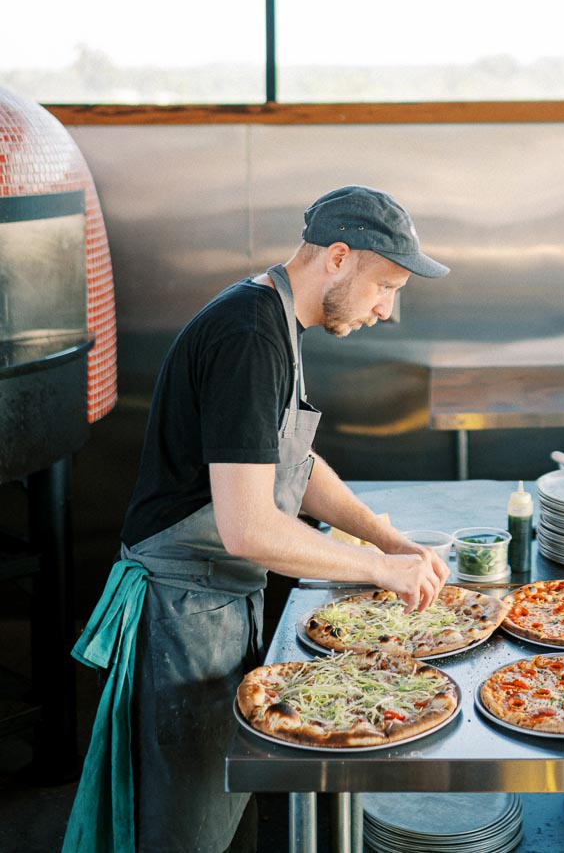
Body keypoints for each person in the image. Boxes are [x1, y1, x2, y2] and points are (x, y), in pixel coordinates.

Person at [64, 185, 450, 853]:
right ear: (337, 257)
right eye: (385, 286)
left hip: (213, 604)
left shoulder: (275, 319)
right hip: (179, 617)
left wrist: (390, 539)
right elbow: (248, 528)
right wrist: (378, 568)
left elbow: (293, 465)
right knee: (182, 831)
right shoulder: (249, 336)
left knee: (217, 819)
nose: (387, 310)